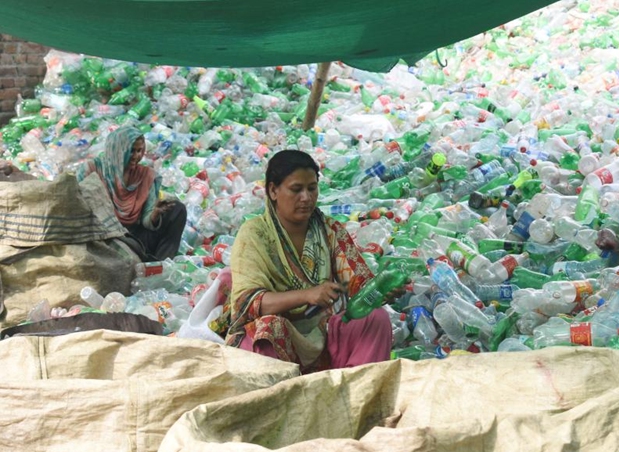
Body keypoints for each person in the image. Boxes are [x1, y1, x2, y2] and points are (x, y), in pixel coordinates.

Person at [226, 150, 399, 372]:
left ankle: (356, 393)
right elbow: (247, 304)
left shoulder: (329, 231)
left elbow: (359, 285)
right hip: (275, 341)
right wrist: (307, 295)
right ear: (273, 190)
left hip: (322, 336)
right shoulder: (255, 235)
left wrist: (380, 291)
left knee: (375, 318)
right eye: (296, 190)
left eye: (312, 188)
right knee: (270, 329)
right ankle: (283, 400)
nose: (306, 198)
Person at [76, 125, 186, 261]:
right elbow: (78, 206)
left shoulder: (145, 176)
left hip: (134, 240)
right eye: (131, 151)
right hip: (102, 238)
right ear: (118, 150)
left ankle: (161, 265)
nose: (137, 156)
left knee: (177, 209)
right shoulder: (92, 170)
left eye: (140, 151)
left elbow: (146, 220)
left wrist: (155, 214)